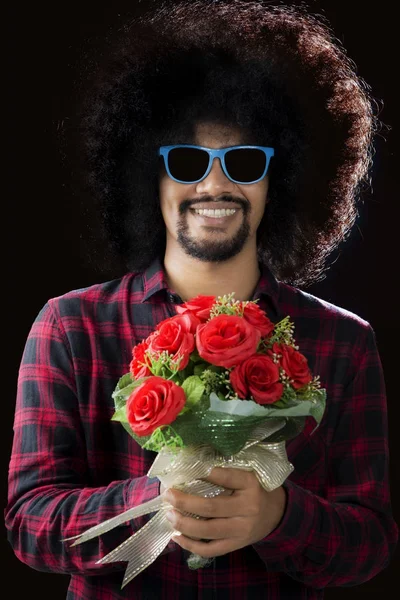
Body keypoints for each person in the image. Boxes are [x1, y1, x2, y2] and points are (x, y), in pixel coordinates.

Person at [5, 1, 398, 598]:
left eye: (243, 161)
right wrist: (156, 498)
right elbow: (29, 524)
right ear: (146, 177)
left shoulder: (344, 342)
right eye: (187, 161)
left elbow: (370, 544)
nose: (215, 184)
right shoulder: (70, 326)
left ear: (282, 179)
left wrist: (279, 518)